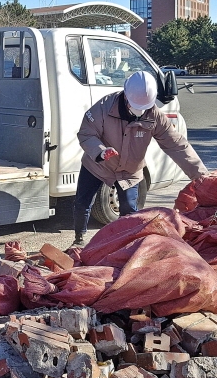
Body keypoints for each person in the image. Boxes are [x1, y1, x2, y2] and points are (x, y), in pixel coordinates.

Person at [73, 70, 208, 246]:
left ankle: (124, 247)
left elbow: (176, 145)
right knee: (82, 203)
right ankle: (79, 239)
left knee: (130, 214)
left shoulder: (154, 115)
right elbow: (86, 133)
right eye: (135, 106)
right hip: (97, 165)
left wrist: (201, 176)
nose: (139, 112)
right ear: (126, 95)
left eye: (144, 107)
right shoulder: (104, 107)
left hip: (130, 171)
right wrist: (100, 151)